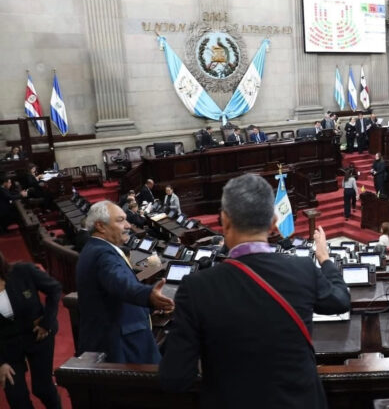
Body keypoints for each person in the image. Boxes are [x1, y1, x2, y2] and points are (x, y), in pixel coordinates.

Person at [159, 174, 350, 408]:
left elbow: (174, 378)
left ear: (224, 221)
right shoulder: (303, 269)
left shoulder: (196, 287)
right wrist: (325, 259)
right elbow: (340, 300)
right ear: (273, 223)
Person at [76, 201, 174, 363]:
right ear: (101, 226)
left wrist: (148, 308)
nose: (128, 225)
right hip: (122, 348)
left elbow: (112, 295)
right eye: (121, 220)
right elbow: (120, 283)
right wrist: (149, 296)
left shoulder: (95, 248)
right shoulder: (102, 254)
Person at [0, 251, 62, 409]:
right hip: (6, 347)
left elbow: (54, 289)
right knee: (16, 397)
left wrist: (47, 321)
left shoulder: (23, 271)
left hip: (38, 336)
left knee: (43, 389)